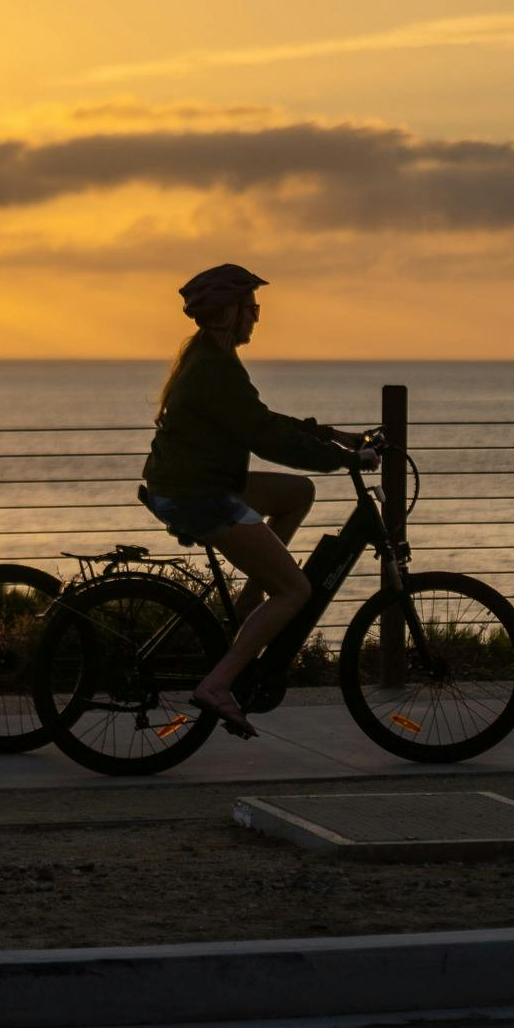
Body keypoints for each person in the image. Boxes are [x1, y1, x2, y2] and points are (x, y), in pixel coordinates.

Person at [141, 262, 367, 737]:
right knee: (296, 591)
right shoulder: (214, 368)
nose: (257, 317)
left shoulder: (212, 357)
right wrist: (343, 460)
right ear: (228, 313)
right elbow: (265, 437)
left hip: (198, 482)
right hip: (196, 495)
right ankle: (218, 684)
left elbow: (258, 417)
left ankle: (249, 605)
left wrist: (332, 436)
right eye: (251, 308)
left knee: (298, 492)